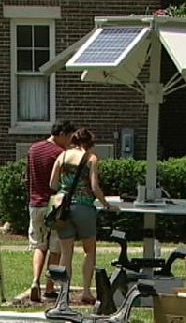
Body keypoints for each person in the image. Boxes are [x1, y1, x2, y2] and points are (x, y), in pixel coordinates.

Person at [49, 128, 118, 304]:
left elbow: (52, 183)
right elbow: (94, 187)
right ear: (89, 143)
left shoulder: (62, 156)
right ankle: (86, 291)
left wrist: (64, 190)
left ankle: (64, 292)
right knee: (89, 250)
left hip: (63, 208)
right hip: (84, 208)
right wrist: (107, 204)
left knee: (66, 252)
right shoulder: (91, 158)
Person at [26, 120, 76, 302]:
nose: (70, 141)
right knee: (55, 248)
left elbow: (28, 177)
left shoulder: (33, 149)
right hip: (54, 205)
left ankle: (35, 281)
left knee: (39, 246)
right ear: (62, 133)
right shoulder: (60, 154)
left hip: (35, 203)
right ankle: (49, 286)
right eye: (69, 137)